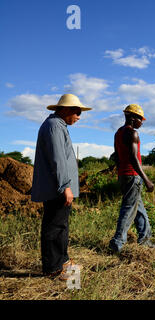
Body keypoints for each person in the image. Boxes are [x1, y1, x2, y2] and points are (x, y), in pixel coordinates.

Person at [31, 93, 91, 280]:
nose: (79, 117)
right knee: (55, 226)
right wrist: (65, 186)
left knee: (60, 226)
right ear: (66, 109)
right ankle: (53, 268)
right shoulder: (54, 126)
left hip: (58, 187)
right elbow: (58, 160)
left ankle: (62, 262)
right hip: (57, 188)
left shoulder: (57, 125)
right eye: (77, 112)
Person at [109, 104, 155, 253]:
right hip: (132, 176)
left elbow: (116, 155)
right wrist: (146, 179)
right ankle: (117, 243)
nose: (141, 122)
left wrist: (118, 168)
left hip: (123, 175)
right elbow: (134, 159)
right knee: (128, 209)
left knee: (139, 208)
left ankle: (145, 239)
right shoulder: (132, 133)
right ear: (132, 117)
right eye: (140, 119)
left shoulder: (118, 133)